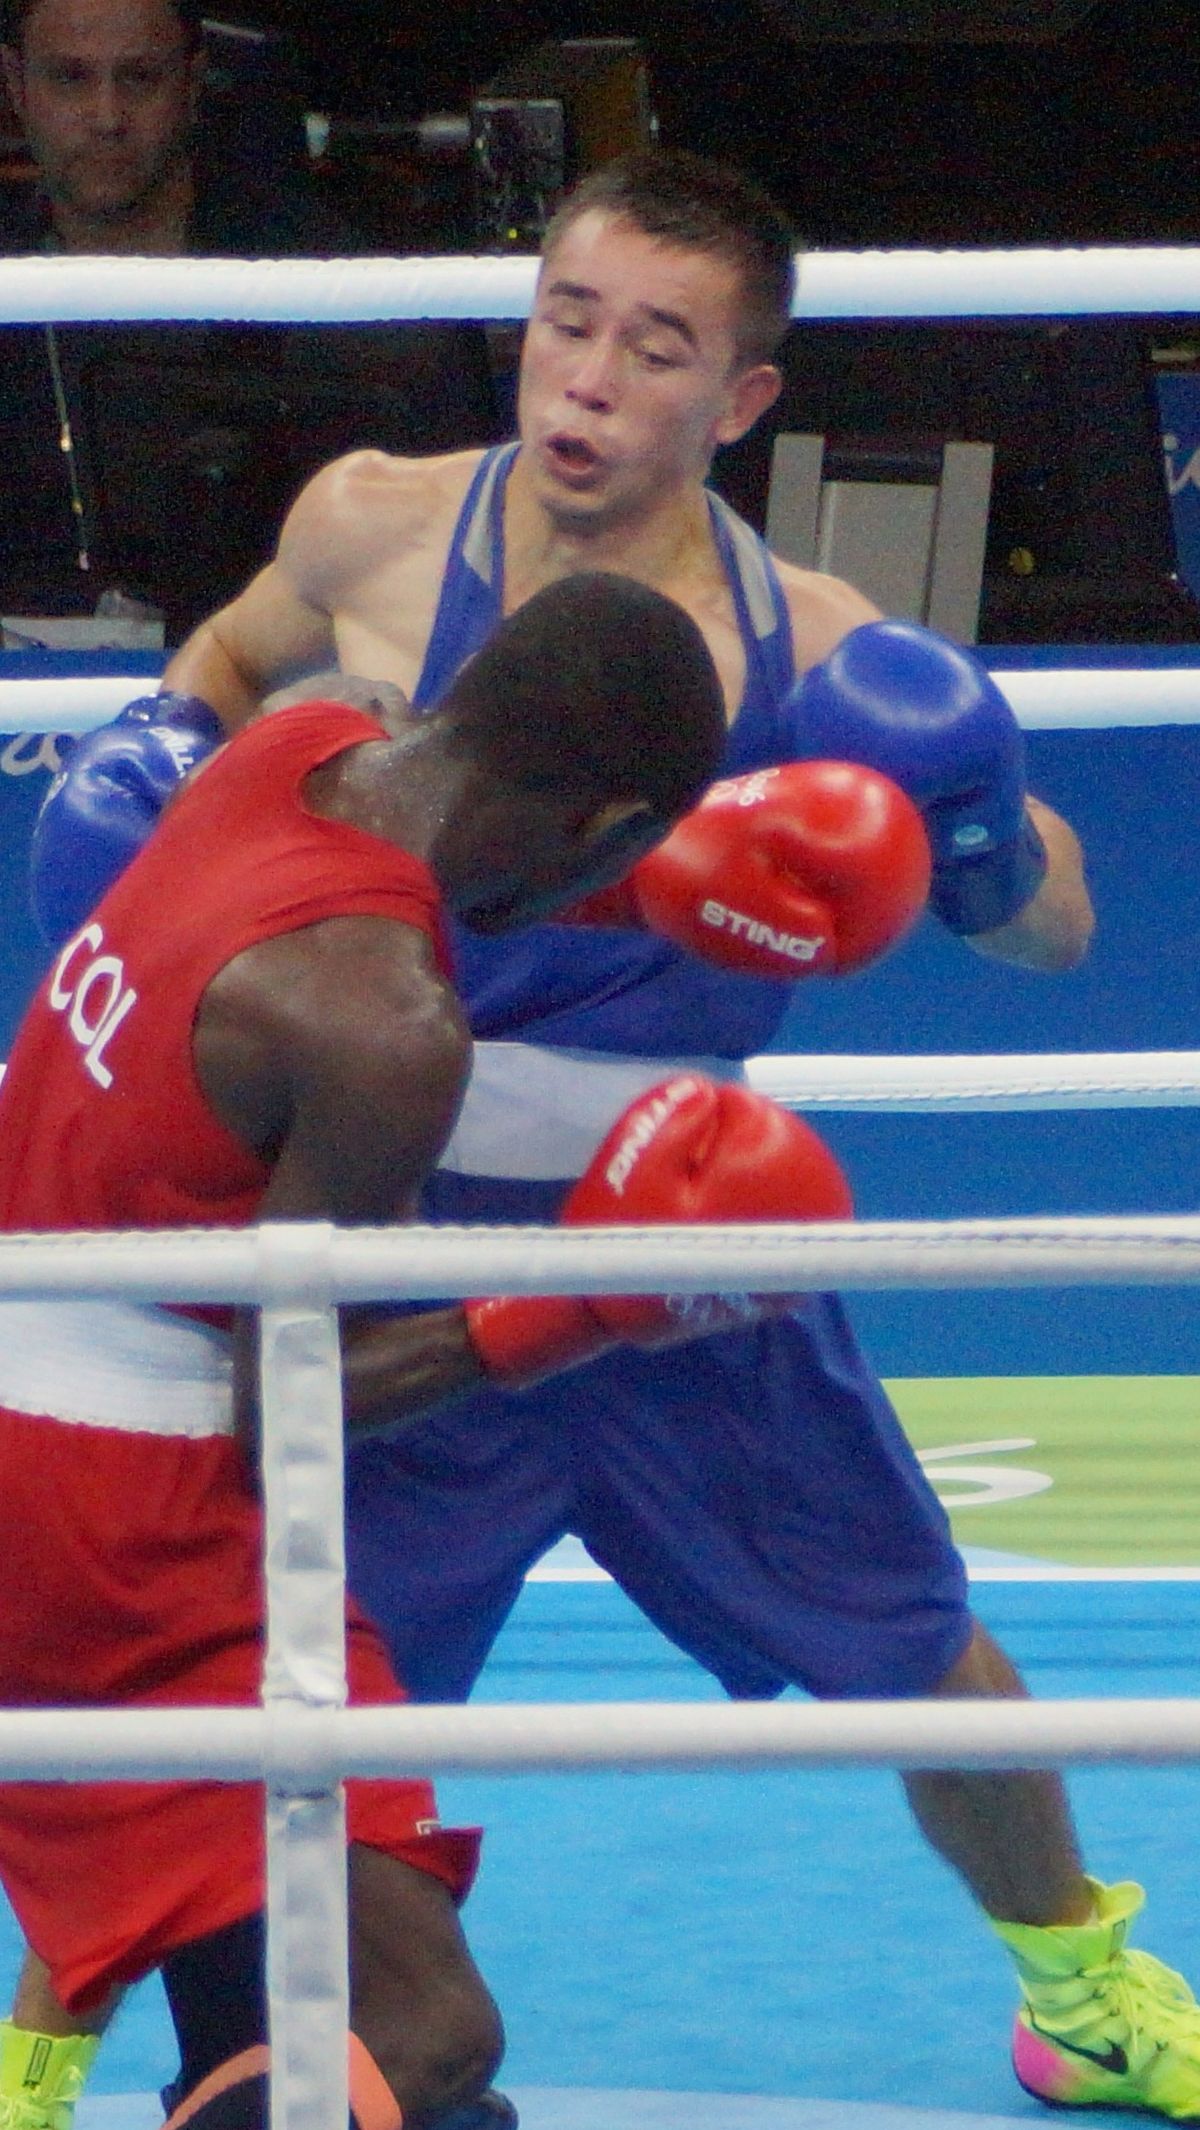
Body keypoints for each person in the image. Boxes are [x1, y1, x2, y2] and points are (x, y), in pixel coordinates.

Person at [24, 146, 1200, 2124]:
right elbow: (226, 667)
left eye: (656, 349)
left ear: (740, 401)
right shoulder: (374, 527)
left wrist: (972, 828)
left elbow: (1056, 924)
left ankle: (1075, 1984)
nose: (587, 380)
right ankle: (49, 2039)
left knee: (913, 1640)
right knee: (253, 1683)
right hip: (390, 1215)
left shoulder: (813, 647)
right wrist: (164, 762)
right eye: (569, 321)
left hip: (687, 1227)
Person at [0, 571, 869, 2130]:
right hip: (128, 1525)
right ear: (604, 815)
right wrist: (574, 1304)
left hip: (47, 1419)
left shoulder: (299, 739)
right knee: (421, 2037)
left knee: (284, 2024)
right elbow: (295, 1416)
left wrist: (631, 887)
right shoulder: (387, 1026)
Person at [0, 0, 500, 634]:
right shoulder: (10, 282)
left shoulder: (322, 290)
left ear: (191, 82)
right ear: (16, 85)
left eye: (140, 77)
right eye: (70, 78)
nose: (107, 117)